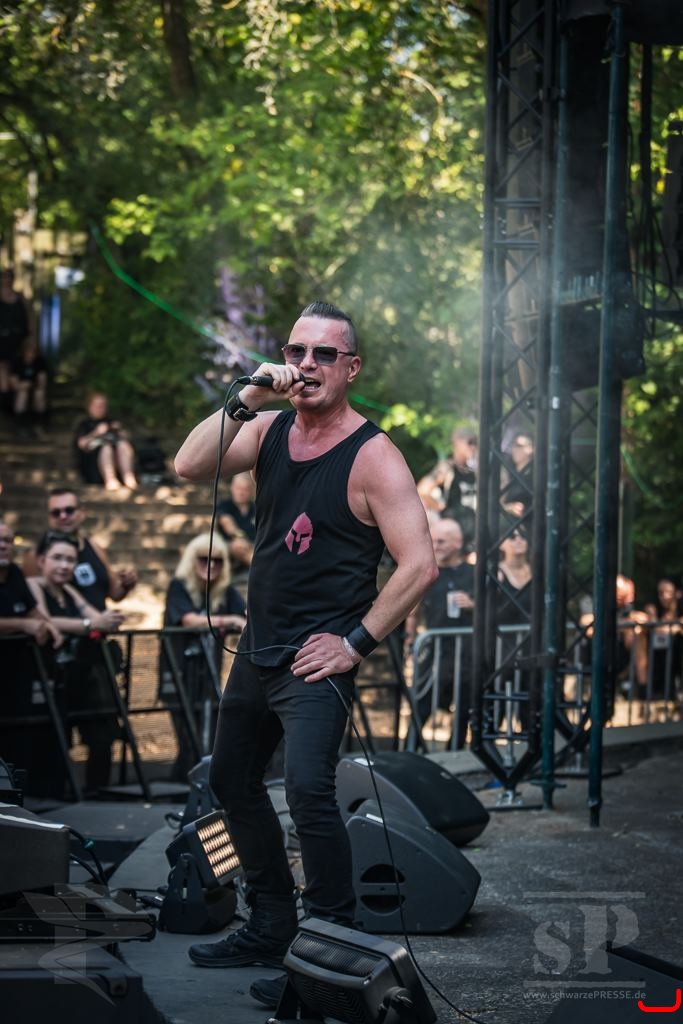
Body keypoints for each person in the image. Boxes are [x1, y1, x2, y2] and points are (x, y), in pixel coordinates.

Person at [174, 300, 437, 1006]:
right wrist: (249, 394)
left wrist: (354, 643)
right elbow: (189, 463)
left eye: (325, 354)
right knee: (231, 781)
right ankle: (270, 923)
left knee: (310, 792)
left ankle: (329, 950)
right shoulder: (267, 429)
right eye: (297, 351)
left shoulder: (373, 455)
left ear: (352, 367)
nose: (308, 365)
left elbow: (418, 564)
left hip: (317, 659)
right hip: (258, 649)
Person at [27, 531, 125, 796]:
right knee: (52, 742)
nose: (64, 565)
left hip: (77, 676)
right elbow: (44, 621)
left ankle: (94, 792)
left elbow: (97, 617)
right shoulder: (33, 586)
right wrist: (89, 624)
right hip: (44, 680)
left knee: (100, 734)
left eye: (70, 560)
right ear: (42, 560)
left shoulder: (69, 590)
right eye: (57, 558)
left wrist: (108, 619)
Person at [159, 532, 247, 782]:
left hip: (207, 675)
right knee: (189, 738)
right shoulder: (178, 586)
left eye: (218, 560)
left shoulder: (225, 591)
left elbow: (246, 614)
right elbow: (188, 620)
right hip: (178, 672)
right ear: (191, 560)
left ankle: (196, 786)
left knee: (208, 739)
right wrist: (230, 620)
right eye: (204, 559)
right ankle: (181, 786)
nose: (211, 565)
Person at [0, 519, 62, 794]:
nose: (4, 546)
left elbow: (33, 611)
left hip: (17, 679)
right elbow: (25, 620)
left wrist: (47, 626)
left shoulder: (14, 574)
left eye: (8, 540)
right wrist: (23, 625)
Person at [404, 517, 474, 747]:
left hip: (466, 652)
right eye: (433, 541)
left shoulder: (473, 573)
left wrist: (473, 605)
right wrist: (410, 639)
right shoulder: (427, 571)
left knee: (464, 706)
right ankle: (408, 751)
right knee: (422, 703)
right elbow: (412, 609)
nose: (436, 546)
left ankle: (455, 753)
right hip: (436, 651)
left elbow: (495, 608)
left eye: (442, 541)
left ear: (458, 542)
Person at [23, 487, 138, 610]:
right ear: (49, 518)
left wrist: (127, 583)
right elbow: (34, 606)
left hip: (101, 621)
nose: (63, 516)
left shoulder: (94, 547)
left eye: (69, 510)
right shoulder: (36, 556)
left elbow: (114, 594)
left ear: (82, 513)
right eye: (56, 513)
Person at [417, 425, 478, 552]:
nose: (473, 447)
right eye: (470, 442)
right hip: (452, 533)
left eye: (476, 443)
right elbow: (422, 490)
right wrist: (441, 509)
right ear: (457, 442)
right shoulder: (447, 468)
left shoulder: (474, 471)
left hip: (472, 533)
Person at [73, 391, 138, 491]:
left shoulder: (110, 421)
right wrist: (96, 433)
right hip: (93, 464)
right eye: (97, 406)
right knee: (106, 448)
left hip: (116, 459)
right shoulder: (84, 424)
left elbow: (127, 437)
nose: (100, 409)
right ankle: (110, 479)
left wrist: (120, 431)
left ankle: (128, 477)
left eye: (103, 406)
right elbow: (81, 444)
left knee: (123, 445)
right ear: (89, 407)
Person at [644, 576, 683, 700]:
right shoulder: (654, 609)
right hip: (658, 657)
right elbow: (655, 627)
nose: (665, 596)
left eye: (669, 592)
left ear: (677, 593)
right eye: (661, 593)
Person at [0, 268, 33, 412]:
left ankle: (16, 406)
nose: (6, 280)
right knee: (3, 369)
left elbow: (29, 320)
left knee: (15, 370)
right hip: (2, 341)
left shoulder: (20, 298)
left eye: (8, 277)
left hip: (18, 341)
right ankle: (6, 404)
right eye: (3, 277)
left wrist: (31, 339)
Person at [216, 471, 256, 577]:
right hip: (230, 545)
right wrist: (239, 537)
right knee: (239, 546)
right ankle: (261, 570)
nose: (241, 492)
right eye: (238, 488)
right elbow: (228, 524)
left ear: (252, 491)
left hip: (254, 546)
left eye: (245, 489)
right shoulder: (225, 505)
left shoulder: (256, 508)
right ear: (232, 488)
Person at [10, 336, 49, 437]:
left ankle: (38, 425)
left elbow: (42, 381)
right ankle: (19, 426)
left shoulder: (40, 362)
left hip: (35, 388)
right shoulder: (17, 362)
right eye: (29, 351)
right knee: (22, 395)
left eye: (33, 352)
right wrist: (21, 386)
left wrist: (32, 385)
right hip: (20, 390)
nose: (31, 354)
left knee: (39, 394)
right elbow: (13, 382)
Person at [501, 432, 534, 519]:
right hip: (508, 520)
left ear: (530, 448)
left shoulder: (536, 475)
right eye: (514, 446)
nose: (515, 449)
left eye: (519, 446)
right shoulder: (507, 471)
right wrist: (509, 508)